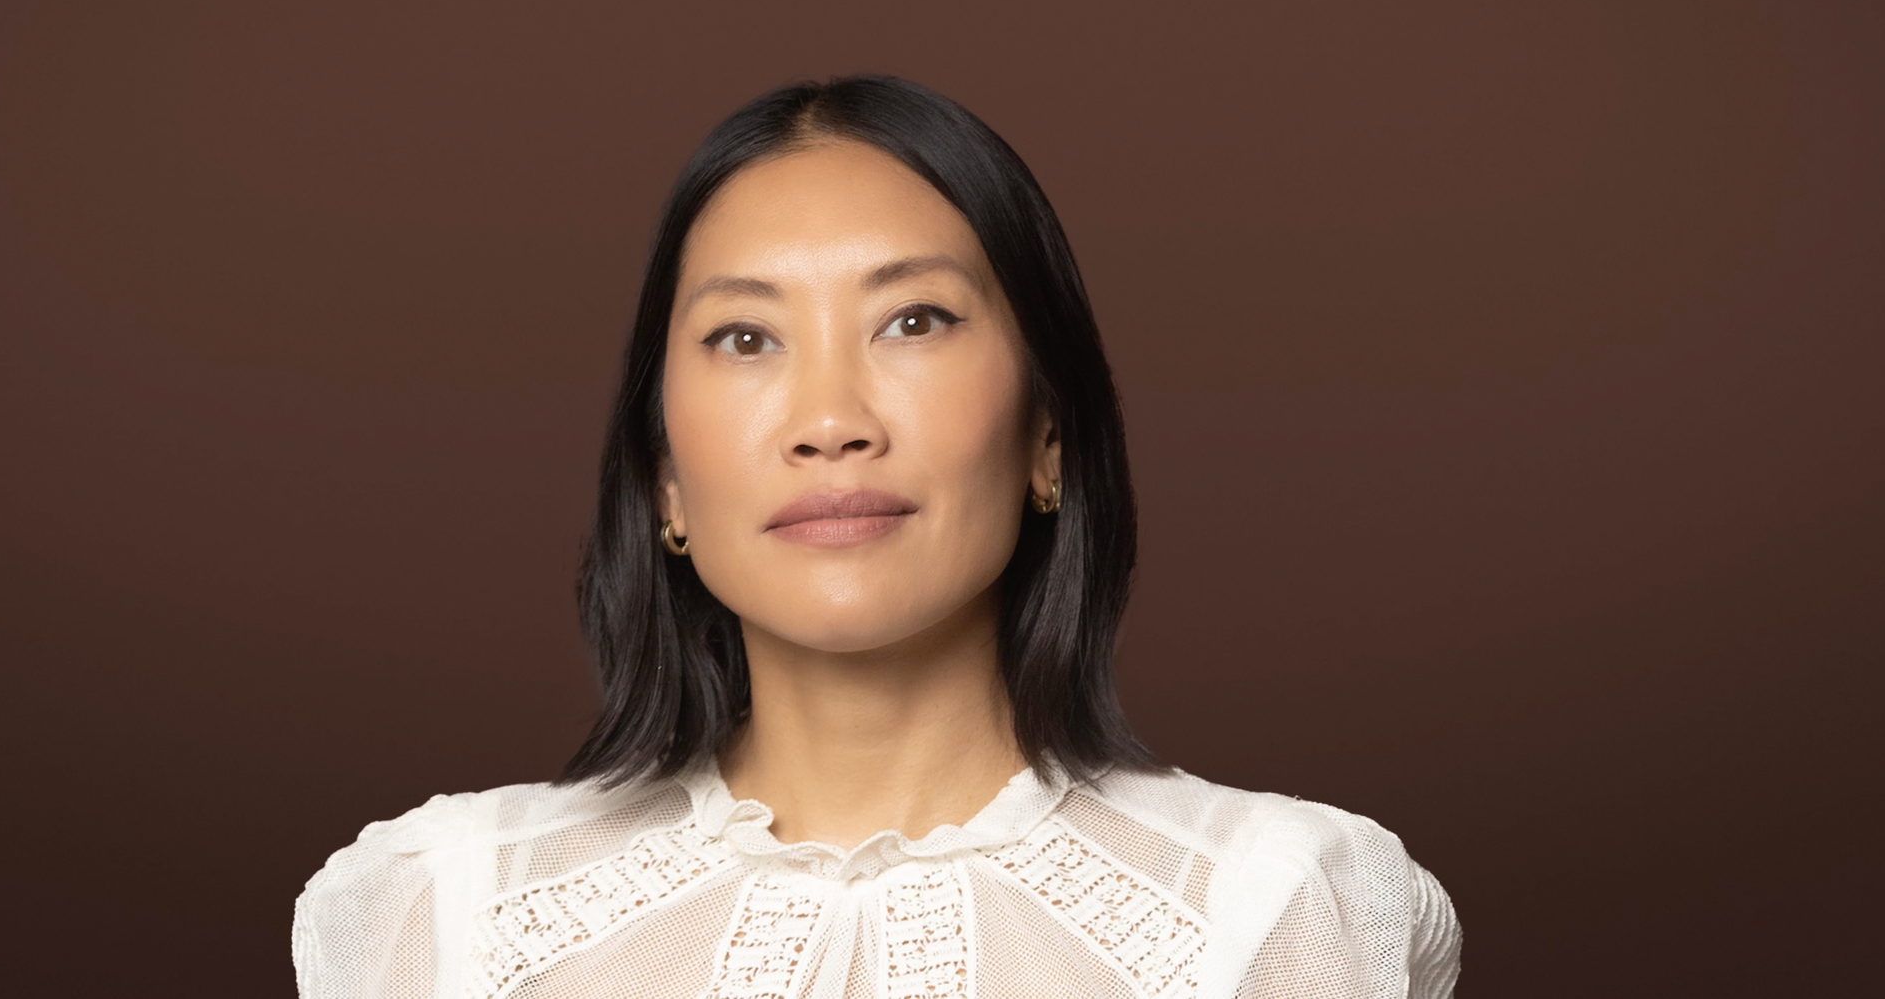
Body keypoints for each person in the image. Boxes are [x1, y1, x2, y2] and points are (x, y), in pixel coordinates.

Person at [292, 76, 1461, 999]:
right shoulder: (434, 907)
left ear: (1047, 436)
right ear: (665, 479)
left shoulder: (1279, 906)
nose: (831, 422)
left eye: (914, 319)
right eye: (745, 338)